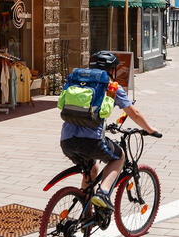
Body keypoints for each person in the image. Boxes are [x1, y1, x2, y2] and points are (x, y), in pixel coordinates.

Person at [60, 51, 158, 209]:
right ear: (112, 70)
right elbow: (134, 113)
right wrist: (150, 129)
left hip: (67, 141)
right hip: (92, 142)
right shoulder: (111, 86)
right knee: (119, 157)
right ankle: (103, 193)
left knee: (92, 169)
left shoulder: (78, 83)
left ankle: (85, 212)